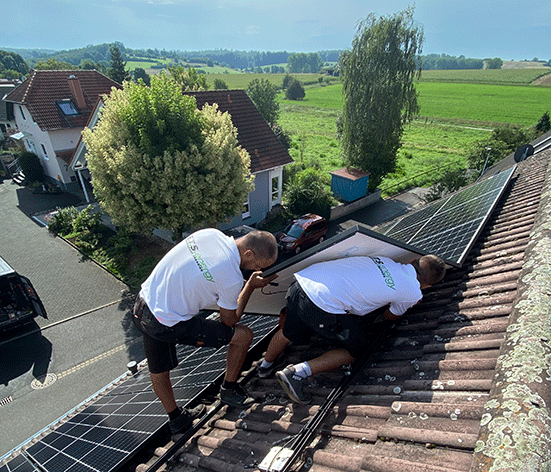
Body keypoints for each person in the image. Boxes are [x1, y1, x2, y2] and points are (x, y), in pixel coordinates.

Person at [133, 228, 278, 439]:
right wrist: (249, 287)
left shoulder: (209, 234)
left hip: (143, 305)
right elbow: (229, 320)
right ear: (248, 254)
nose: (257, 269)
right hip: (167, 323)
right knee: (243, 335)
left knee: (158, 370)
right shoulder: (232, 278)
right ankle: (229, 389)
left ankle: (177, 420)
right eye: (259, 265)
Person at [257, 255, 446, 404]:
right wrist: (411, 301)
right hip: (321, 304)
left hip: (301, 284)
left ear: (411, 261)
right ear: (427, 285)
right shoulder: (413, 291)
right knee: (358, 348)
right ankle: (296, 373)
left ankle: (264, 366)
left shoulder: (386, 260)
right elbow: (390, 317)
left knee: (289, 333)